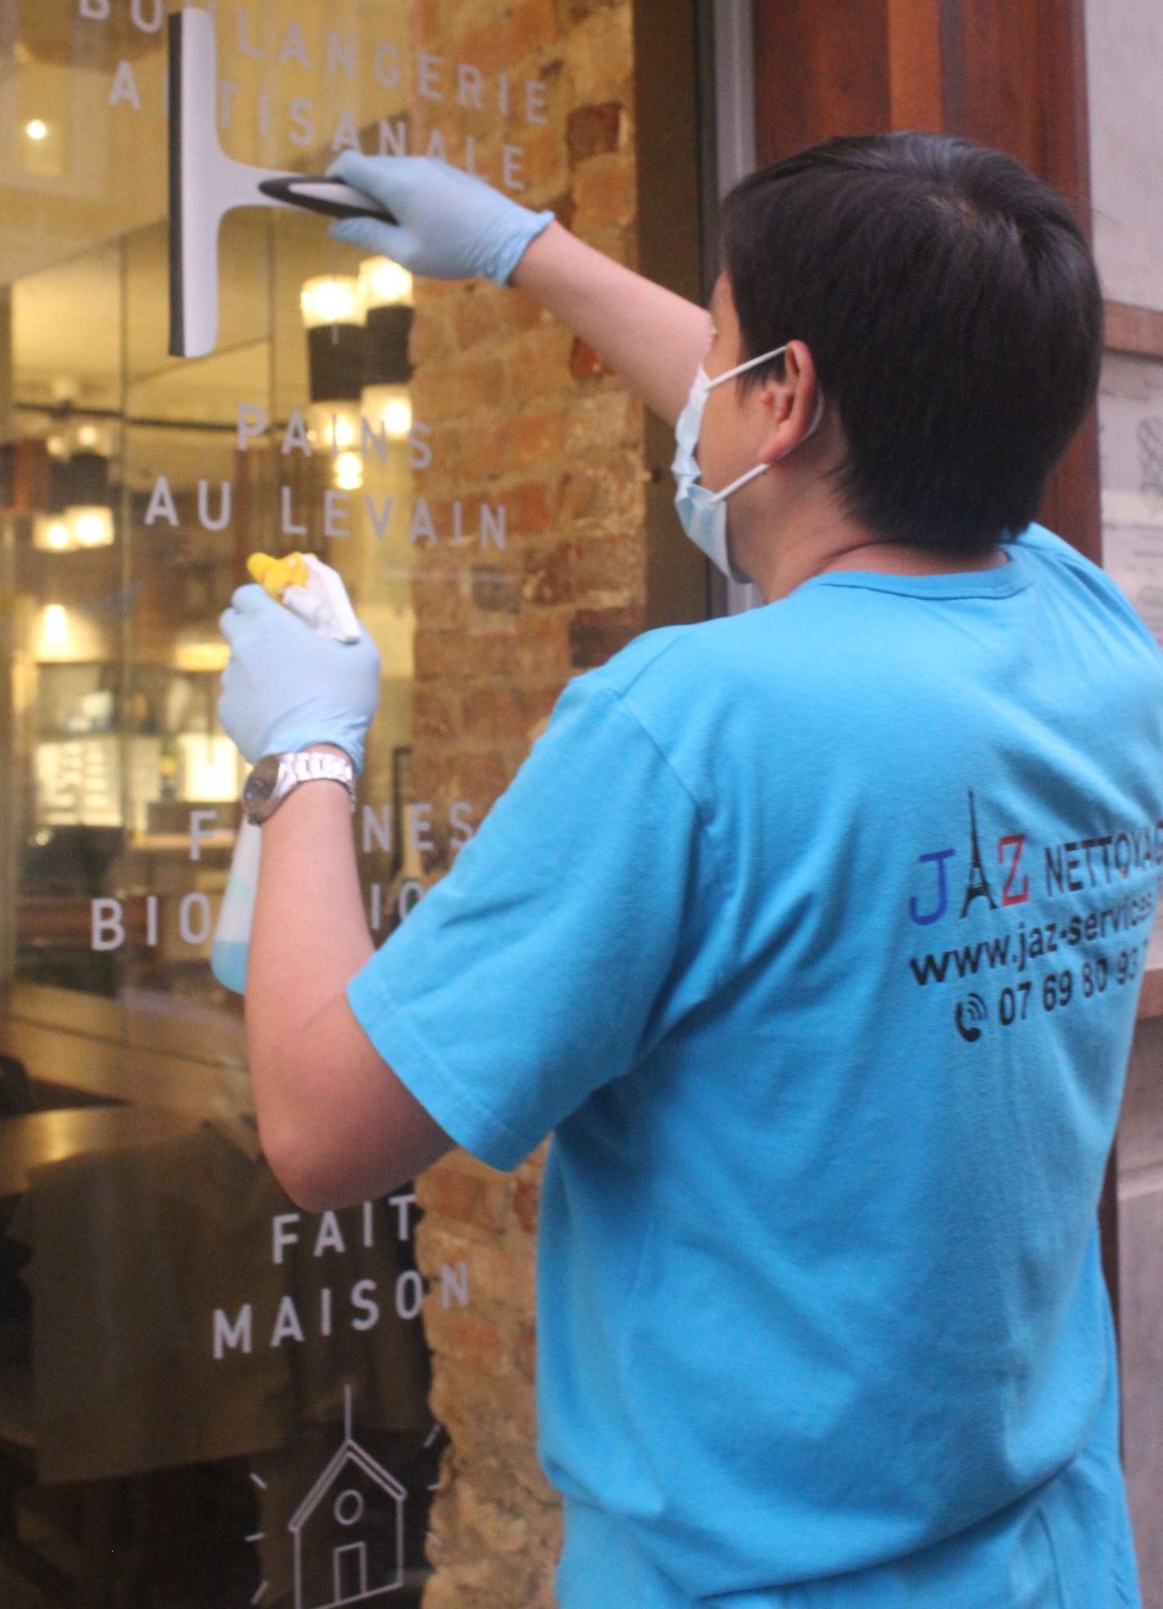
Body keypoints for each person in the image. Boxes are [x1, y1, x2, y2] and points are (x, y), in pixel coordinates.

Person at [217, 133, 1161, 1608]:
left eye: (721, 345)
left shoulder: (692, 726)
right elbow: (854, 413)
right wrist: (523, 246)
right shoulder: (1090, 634)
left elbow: (325, 1129)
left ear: (780, 396)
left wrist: (303, 754)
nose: (696, 383)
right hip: (1051, 1557)